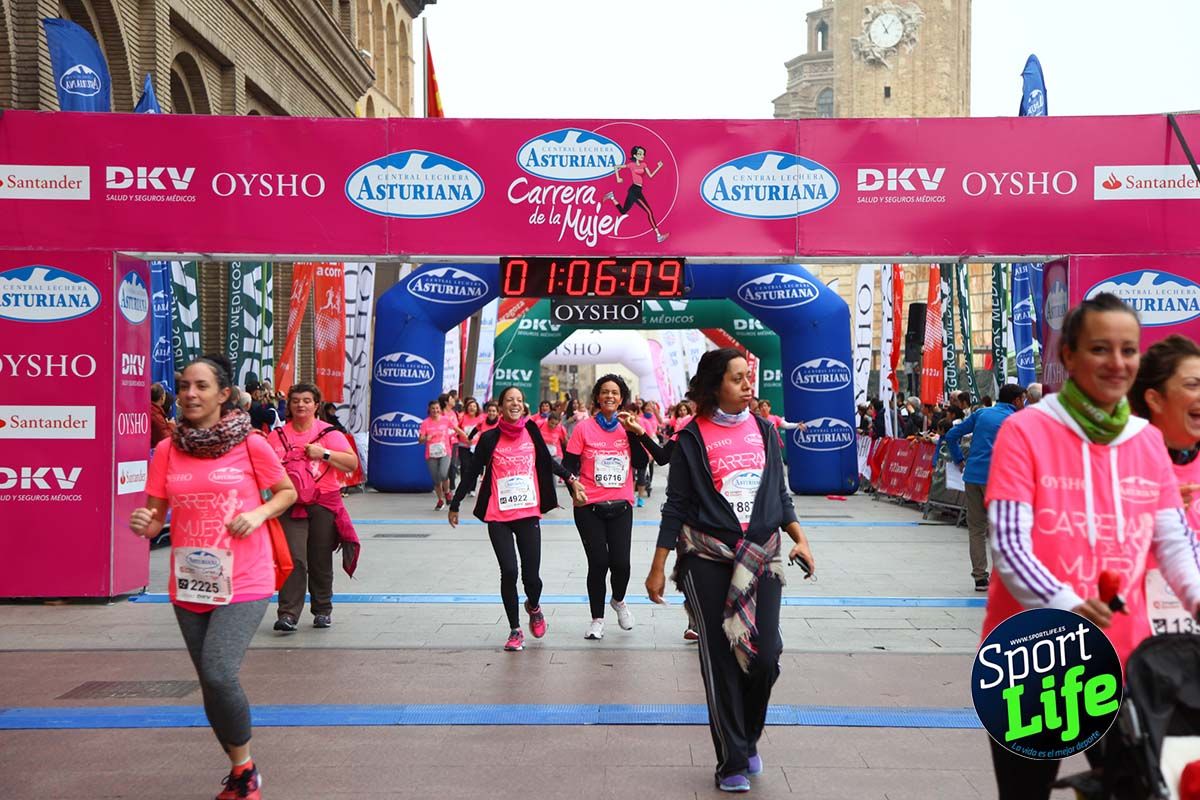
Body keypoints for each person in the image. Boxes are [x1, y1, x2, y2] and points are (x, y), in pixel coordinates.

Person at [983, 294, 1200, 799]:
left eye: (1129, 350)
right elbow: (1010, 545)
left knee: (1137, 788)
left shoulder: (1146, 441)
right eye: (1101, 349)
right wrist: (1065, 604)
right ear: (1070, 357)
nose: (1117, 362)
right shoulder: (1025, 431)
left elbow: (1176, 546)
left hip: (1124, 662)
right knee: (1025, 793)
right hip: (1030, 660)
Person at [645, 348, 815, 793]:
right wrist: (658, 566)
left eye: (748, 378)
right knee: (721, 661)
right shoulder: (689, 439)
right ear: (715, 384)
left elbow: (780, 491)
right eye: (738, 378)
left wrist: (801, 538)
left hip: (762, 555)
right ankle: (732, 760)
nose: (747, 386)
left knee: (765, 656)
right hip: (706, 558)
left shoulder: (763, 430)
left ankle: (747, 735)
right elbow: (676, 505)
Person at [129, 354, 296, 800]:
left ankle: (245, 770)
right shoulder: (166, 450)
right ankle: (241, 769)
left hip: (245, 576)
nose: (189, 394)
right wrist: (144, 521)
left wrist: (257, 513)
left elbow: (286, 492)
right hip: (189, 579)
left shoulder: (251, 445)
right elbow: (155, 516)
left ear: (223, 395)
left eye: (201, 386)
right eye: (184, 385)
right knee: (209, 679)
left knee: (219, 672)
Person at [448, 386, 586, 651]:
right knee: (509, 571)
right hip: (497, 514)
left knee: (531, 577)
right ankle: (515, 629)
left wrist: (571, 479)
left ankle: (533, 606)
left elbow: (547, 462)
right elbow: (472, 471)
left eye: (519, 400)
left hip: (527, 512)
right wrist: (455, 504)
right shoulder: (489, 438)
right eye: (509, 400)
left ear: (524, 407)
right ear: (500, 407)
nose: (515, 404)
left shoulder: (531, 431)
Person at [562, 374, 668, 640]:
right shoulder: (584, 428)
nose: (610, 396)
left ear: (622, 399)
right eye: (605, 392)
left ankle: (618, 601)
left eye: (615, 393)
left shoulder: (628, 426)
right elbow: (569, 466)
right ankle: (597, 619)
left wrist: (634, 433)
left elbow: (642, 463)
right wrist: (573, 486)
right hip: (589, 506)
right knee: (598, 563)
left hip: (621, 505)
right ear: (598, 397)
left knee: (621, 563)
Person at [269, 383, 360, 633]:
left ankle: (322, 609)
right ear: (289, 405)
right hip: (289, 503)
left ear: (316, 405)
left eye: (307, 400)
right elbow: (262, 470)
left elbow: (352, 463)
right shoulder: (277, 436)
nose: (301, 405)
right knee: (294, 558)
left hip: (324, 502)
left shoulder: (330, 433)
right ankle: (288, 613)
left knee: (319, 558)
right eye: (296, 400)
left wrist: (324, 454)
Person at [942, 383, 1026, 592]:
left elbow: (951, 435)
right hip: (1000, 480)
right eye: (1022, 400)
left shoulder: (981, 413)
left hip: (973, 477)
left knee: (977, 529)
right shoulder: (1016, 420)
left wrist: (959, 460)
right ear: (1016, 401)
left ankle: (980, 577)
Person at [603, 144, 669, 243]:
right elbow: (616, 166)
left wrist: (658, 167)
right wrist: (618, 178)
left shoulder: (644, 165)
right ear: (635, 155)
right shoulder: (631, 165)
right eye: (639, 154)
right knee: (649, 212)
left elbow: (650, 175)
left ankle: (612, 197)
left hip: (638, 190)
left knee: (623, 211)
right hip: (634, 191)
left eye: (643, 154)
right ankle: (658, 235)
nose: (642, 156)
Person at [419, 399, 464, 510]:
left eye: (437, 408)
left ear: (440, 409)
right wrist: (425, 438)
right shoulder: (425, 423)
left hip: (445, 452)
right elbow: (420, 440)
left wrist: (467, 438)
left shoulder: (446, 420)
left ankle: (447, 492)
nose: (435, 410)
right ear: (429, 410)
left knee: (444, 474)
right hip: (431, 454)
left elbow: (457, 429)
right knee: (436, 479)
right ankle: (440, 500)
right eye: (433, 408)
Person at [456, 397, 486, 488]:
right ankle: (463, 485)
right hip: (463, 445)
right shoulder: (462, 417)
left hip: (476, 446)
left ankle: (472, 487)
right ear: (467, 407)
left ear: (477, 408)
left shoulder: (481, 418)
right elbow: (456, 429)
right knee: (464, 466)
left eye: (474, 406)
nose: (472, 408)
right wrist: (464, 437)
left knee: (474, 466)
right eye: (470, 406)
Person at [150, 382, 174, 448]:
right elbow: (165, 439)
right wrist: (171, 425)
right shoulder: (156, 416)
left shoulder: (153, 411)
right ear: (162, 398)